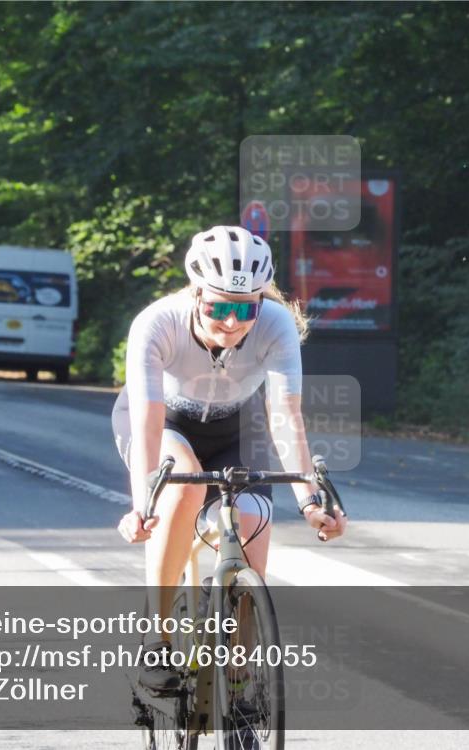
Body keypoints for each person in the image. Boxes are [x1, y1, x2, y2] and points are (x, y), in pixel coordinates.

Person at [112, 225, 348, 691]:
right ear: (196, 293)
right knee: (187, 485)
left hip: (239, 428)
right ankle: (156, 640)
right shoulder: (156, 323)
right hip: (167, 425)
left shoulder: (275, 323)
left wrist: (310, 502)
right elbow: (148, 422)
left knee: (251, 532)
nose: (232, 322)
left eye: (245, 308)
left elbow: (285, 416)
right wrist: (143, 506)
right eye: (218, 307)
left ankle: (239, 684)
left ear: (261, 301)